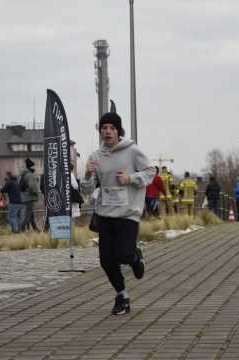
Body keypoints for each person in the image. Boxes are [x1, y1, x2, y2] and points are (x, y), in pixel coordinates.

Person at [81, 112, 155, 316]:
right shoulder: (96, 156)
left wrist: (130, 178)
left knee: (123, 254)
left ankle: (135, 257)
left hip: (128, 213)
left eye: (111, 128)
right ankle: (122, 296)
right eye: (104, 128)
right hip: (105, 213)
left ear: (118, 131)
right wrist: (87, 174)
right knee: (106, 260)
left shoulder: (132, 151)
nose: (107, 131)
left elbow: (150, 172)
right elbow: (86, 189)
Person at [20, 158, 39, 232]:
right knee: (28, 214)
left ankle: (35, 229)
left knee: (31, 214)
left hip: (25, 196)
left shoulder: (23, 174)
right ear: (30, 167)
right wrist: (36, 192)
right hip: (29, 197)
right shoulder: (30, 175)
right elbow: (32, 186)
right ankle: (22, 228)